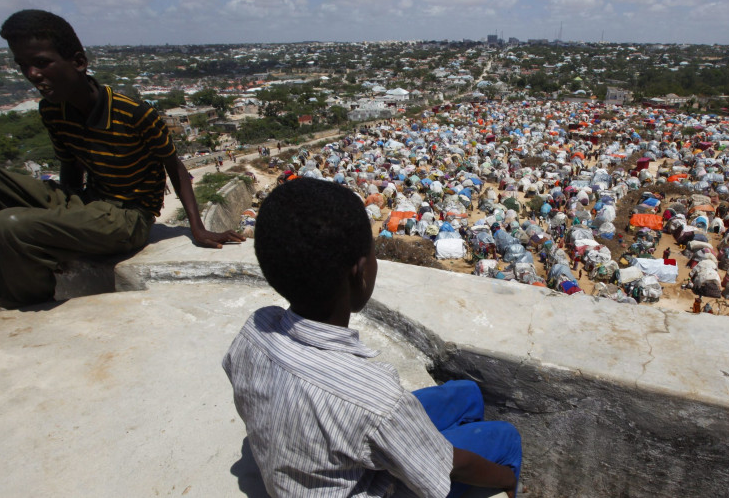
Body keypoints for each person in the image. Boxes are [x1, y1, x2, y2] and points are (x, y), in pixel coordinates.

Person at [223, 178, 521, 497]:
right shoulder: (375, 398)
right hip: (369, 484)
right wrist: (505, 479)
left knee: (467, 394)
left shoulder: (254, 331)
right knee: (506, 438)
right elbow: (448, 464)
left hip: (309, 469)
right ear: (361, 272)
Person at [0, 9, 243, 308]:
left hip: (128, 217)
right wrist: (68, 211)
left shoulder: (134, 113)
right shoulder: (53, 110)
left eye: (41, 63)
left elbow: (175, 167)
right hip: (89, 200)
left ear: (79, 62)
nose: (32, 75)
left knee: (9, 224)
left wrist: (197, 228)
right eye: (23, 66)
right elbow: (70, 164)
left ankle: (23, 306)